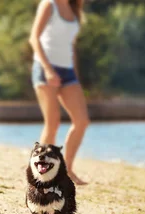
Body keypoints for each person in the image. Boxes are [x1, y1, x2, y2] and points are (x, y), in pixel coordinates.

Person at [28, 0, 89, 185]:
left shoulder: (74, 8)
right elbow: (34, 38)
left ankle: (67, 170)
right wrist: (47, 69)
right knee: (52, 123)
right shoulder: (49, 5)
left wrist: (75, 75)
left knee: (81, 121)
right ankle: (41, 174)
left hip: (67, 71)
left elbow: (70, 47)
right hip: (45, 67)